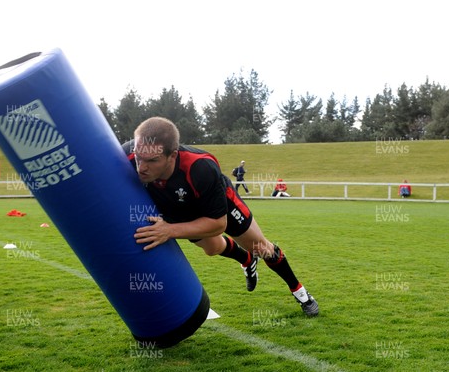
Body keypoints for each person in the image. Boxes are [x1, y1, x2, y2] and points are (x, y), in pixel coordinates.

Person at [123, 117, 318, 316]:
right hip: (179, 207)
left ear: (172, 156)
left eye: (152, 160)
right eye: (139, 157)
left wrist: (169, 230)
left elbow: (218, 224)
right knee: (212, 248)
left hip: (219, 206)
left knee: (261, 247)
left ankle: (300, 292)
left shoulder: (201, 167)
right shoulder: (126, 154)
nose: (141, 167)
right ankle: (246, 260)